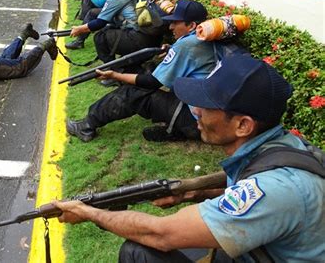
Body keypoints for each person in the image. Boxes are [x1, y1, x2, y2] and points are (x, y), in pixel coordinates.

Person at [55, 54, 324, 263]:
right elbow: (242, 188)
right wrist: (191, 194)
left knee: (139, 251)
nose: (195, 110)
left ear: (243, 125)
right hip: (263, 250)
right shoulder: (282, 146)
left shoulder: (276, 189)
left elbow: (160, 234)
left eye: (206, 106)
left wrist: (88, 212)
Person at [66, 0, 214, 142]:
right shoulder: (206, 37)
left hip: (196, 121)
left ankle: (85, 127)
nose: (170, 27)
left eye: (176, 22)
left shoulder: (188, 44)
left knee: (132, 93)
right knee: (144, 75)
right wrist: (171, 50)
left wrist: (116, 75)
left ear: (192, 25)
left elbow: (153, 83)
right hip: (207, 114)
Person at [68, 0, 162, 78]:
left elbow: (100, 23)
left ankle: (112, 72)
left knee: (100, 37)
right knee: (109, 30)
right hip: (149, 38)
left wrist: (80, 29)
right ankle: (129, 68)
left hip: (140, 39)